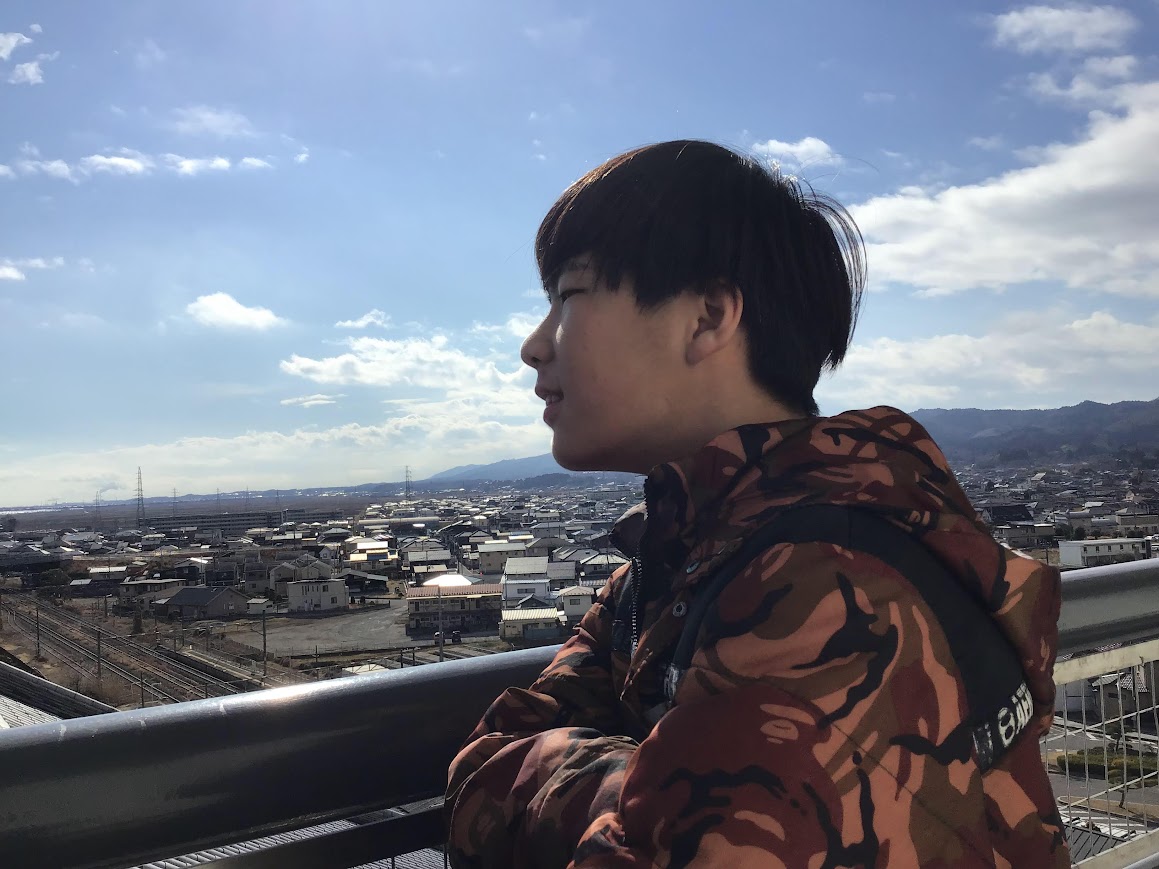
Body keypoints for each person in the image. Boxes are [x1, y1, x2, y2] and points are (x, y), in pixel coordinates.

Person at [444, 140, 1068, 867]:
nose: (534, 344)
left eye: (569, 295)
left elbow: (502, 761)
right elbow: (522, 734)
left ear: (708, 317)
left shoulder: (827, 589)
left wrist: (597, 780)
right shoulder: (678, 558)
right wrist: (638, 780)